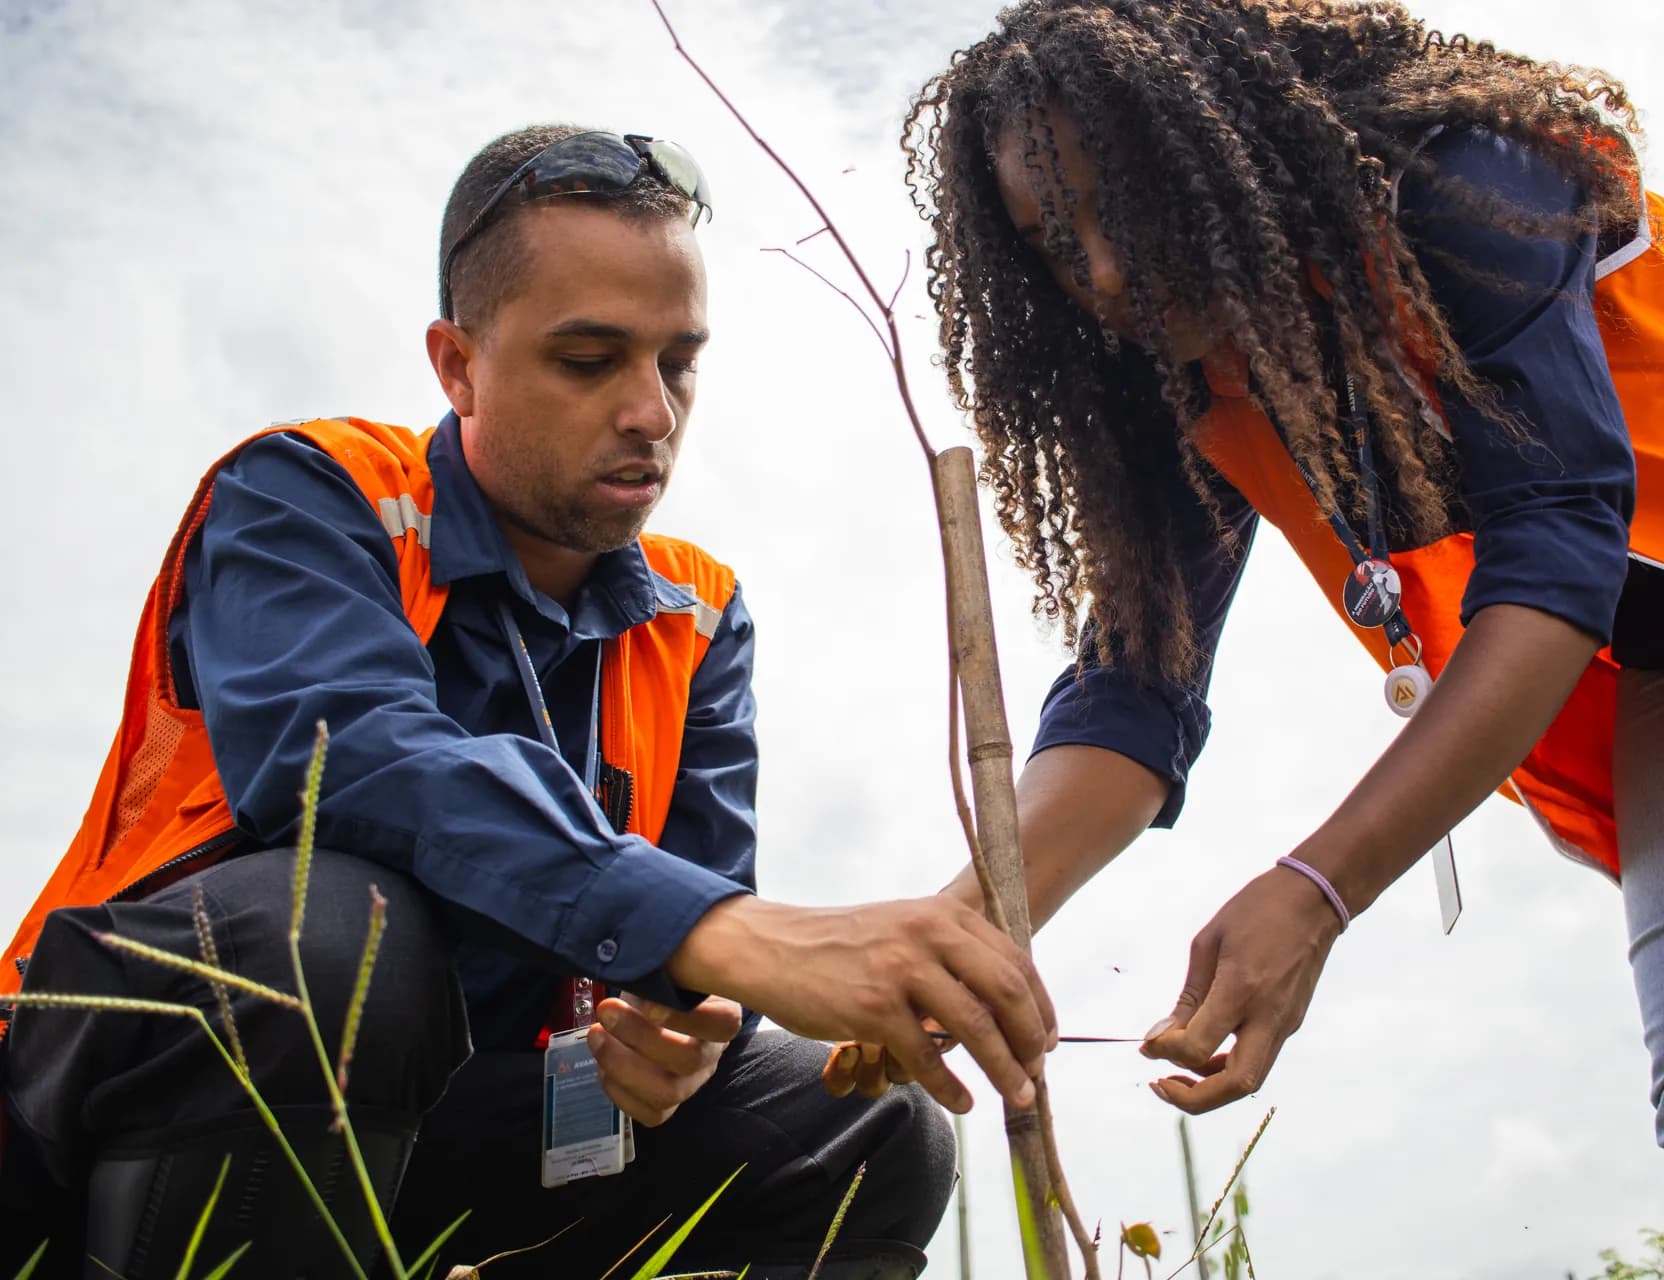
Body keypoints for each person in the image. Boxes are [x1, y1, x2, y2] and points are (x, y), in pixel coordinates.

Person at [881, 1, 1664, 1275]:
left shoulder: (1453, 179)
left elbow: (1558, 543)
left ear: (1214, 155)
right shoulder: (1198, 387)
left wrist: (1318, 888)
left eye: (1125, 211)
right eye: (1056, 241)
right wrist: (948, 931)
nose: (1101, 274)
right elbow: (1134, 693)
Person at [0, 124, 1058, 1280]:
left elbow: (696, 946)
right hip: (117, 1106)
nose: (652, 411)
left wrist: (685, 1032)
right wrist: (719, 933)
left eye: (679, 360)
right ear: (457, 365)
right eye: (589, 359)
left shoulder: (696, 619)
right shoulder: (308, 494)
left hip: (466, 1126)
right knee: (339, 932)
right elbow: (355, 758)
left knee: (871, 1129)